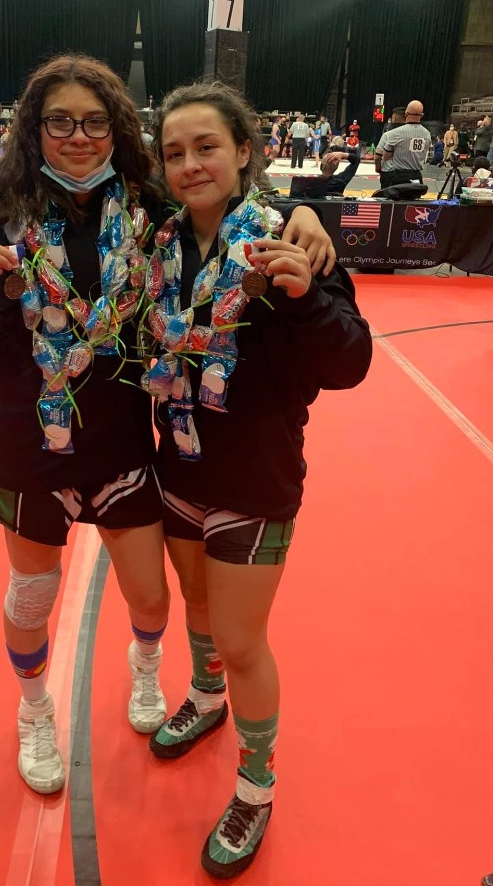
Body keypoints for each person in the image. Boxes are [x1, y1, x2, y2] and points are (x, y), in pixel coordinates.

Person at [0, 55, 337, 801]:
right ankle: (34, 712)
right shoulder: (5, 213)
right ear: (36, 129)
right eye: (59, 121)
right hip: (31, 443)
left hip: (124, 442)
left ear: (117, 130)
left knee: (153, 601)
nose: (79, 136)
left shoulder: (145, 200)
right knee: (32, 596)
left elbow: (220, 193)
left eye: (95, 121)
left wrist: (302, 212)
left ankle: (149, 670)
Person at [144, 80, 372, 879]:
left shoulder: (286, 241)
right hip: (176, 463)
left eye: (207, 146)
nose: (190, 163)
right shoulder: (155, 239)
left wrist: (306, 293)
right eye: (174, 152)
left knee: (242, 639)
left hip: (256, 478)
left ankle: (256, 782)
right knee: (197, 608)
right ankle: (205, 697)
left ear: (245, 151)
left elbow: (352, 360)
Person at [374, 100, 431, 189]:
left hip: (394, 177)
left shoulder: (393, 134)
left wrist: (378, 169)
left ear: (406, 114)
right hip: (416, 176)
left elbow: (383, 157)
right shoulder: (427, 134)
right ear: (422, 115)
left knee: (388, 201)